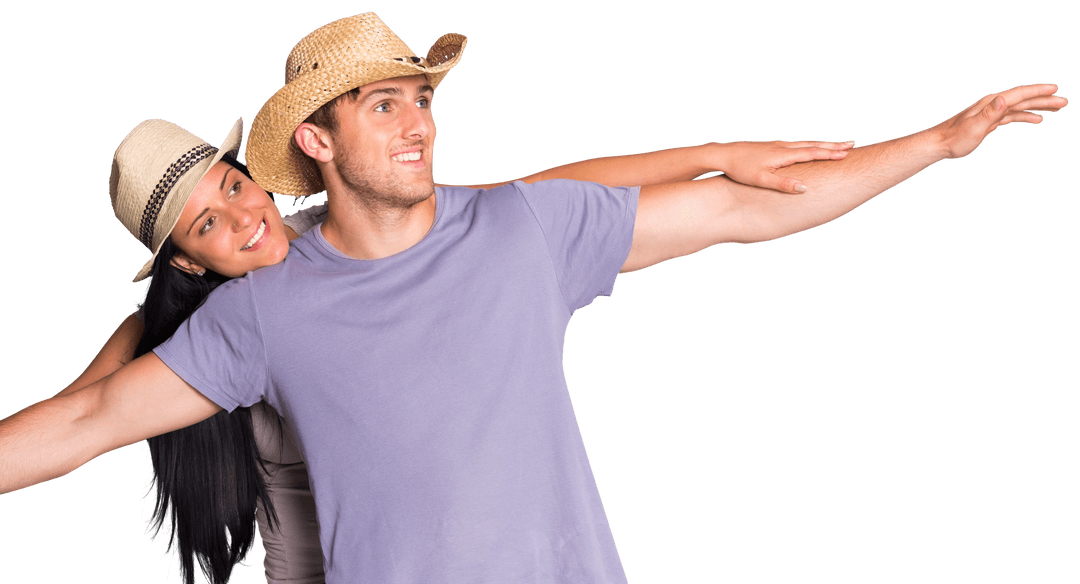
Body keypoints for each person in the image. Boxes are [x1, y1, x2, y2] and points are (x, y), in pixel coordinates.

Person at [0, 12, 1066, 584]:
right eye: (385, 106)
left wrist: (936, 142)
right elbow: (87, 418)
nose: (419, 122)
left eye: (421, 98)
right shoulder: (258, 313)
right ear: (316, 140)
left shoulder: (521, 228)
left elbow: (739, 209)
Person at [60, 112, 853, 584]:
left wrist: (713, 156)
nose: (244, 219)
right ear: (186, 264)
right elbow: (79, 414)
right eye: (206, 224)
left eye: (235, 186)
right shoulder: (190, 333)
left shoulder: (336, 236)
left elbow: (543, 194)